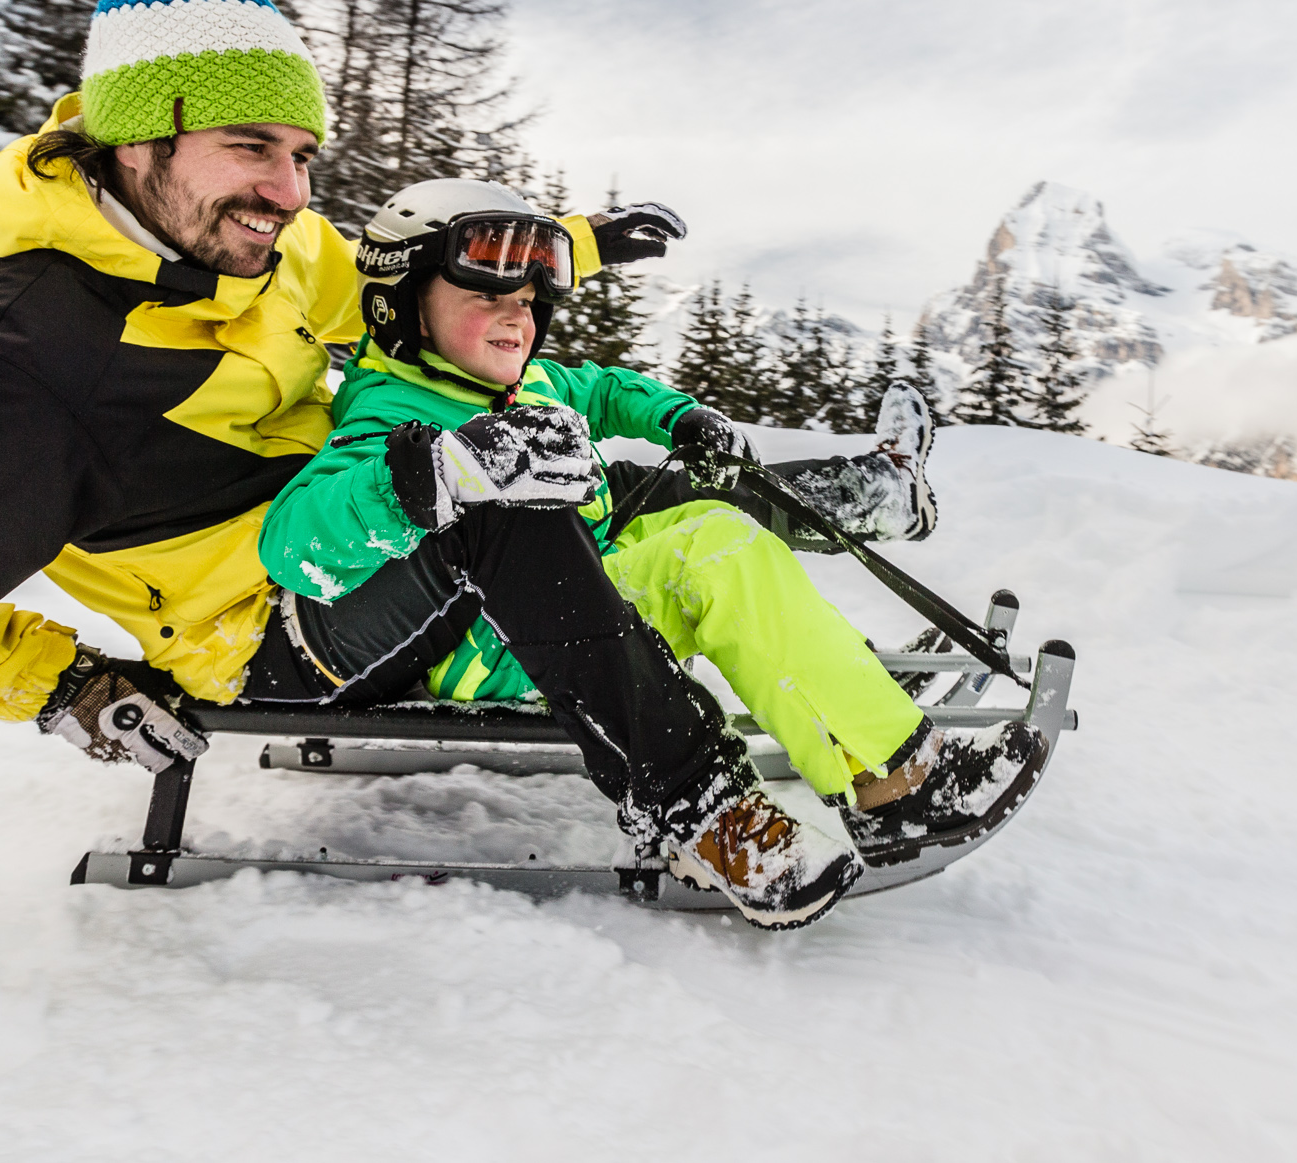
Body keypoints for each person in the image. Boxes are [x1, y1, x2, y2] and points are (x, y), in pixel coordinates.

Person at [0, 0, 991, 929]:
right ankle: (694, 801)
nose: (289, 193)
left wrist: (580, 248)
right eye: (251, 148)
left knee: (634, 493)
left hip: (378, 547)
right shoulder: (26, 363)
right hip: (275, 629)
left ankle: (860, 719)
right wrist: (61, 681)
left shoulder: (258, 246)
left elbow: (421, 284)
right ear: (138, 136)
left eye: (300, 153)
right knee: (498, 492)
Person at [253, 177, 1048, 867]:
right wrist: (422, 478)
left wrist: (678, 416)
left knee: (716, 520)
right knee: (717, 553)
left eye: (529, 301)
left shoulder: (511, 375)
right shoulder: (390, 411)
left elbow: (595, 387)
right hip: (510, 644)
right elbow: (295, 547)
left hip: (581, 570)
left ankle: (845, 693)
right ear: (400, 308)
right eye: (487, 297)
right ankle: (895, 776)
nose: (516, 318)